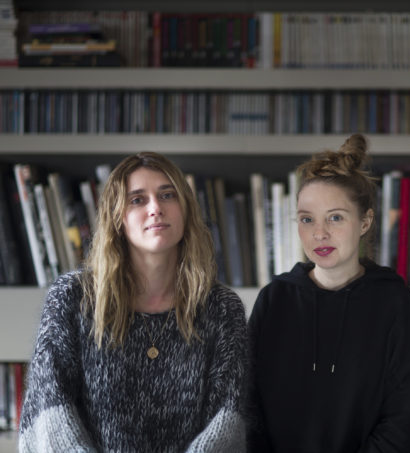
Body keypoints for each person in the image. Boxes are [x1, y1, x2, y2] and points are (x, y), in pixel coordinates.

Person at [19, 152, 248, 452]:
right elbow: (50, 414)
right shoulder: (72, 298)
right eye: (137, 199)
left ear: (186, 209)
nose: (156, 208)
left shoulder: (221, 308)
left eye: (168, 195)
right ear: (117, 218)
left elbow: (227, 421)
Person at [247, 134, 410, 452]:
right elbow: (247, 408)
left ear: (365, 222)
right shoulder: (274, 300)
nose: (320, 233)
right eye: (307, 219)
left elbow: (406, 424)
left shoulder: (398, 304)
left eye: (335, 217)